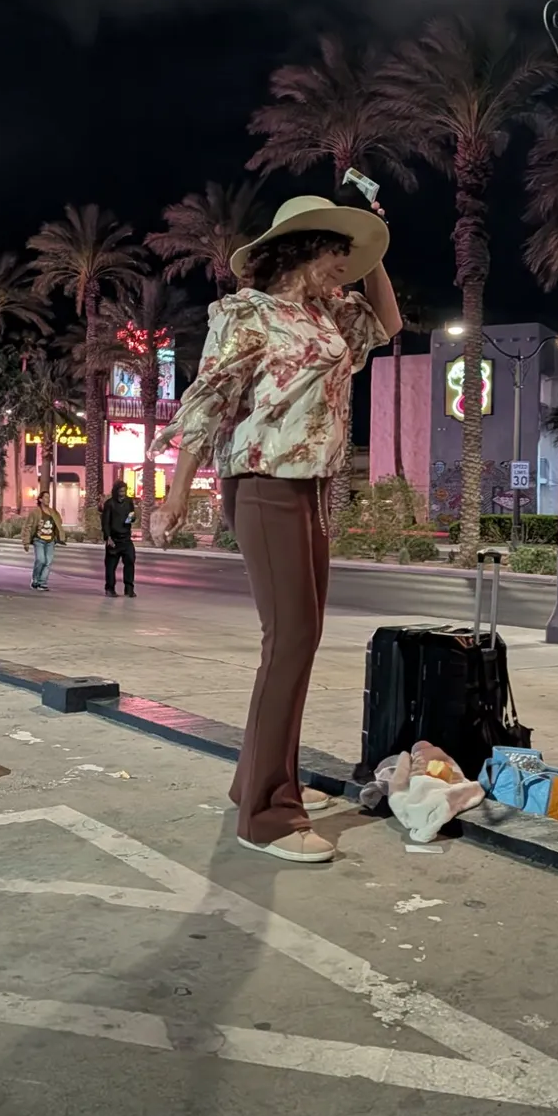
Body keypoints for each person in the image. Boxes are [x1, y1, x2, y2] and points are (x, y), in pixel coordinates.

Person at [150, 194, 402, 865]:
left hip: (311, 485)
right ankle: (266, 815)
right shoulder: (246, 314)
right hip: (262, 485)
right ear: (301, 249)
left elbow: (389, 322)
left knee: (301, 637)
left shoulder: (330, 314)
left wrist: (375, 247)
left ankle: (259, 779)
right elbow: (209, 404)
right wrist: (176, 497)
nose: (344, 272)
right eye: (337, 256)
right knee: (288, 639)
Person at [21, 491, 65, 591]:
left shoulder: (53, 512)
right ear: (40, 499)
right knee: (41, 560)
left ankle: (42, 582)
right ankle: (35, 580)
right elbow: (28, 526)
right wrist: (26, 541)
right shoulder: (35, 512)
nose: (48, 499)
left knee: (48, 562)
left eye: (49, 497)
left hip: (50, 541)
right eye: (45, 497)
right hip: (38, 539)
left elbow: (59, 523)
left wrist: (60, 536)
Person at [102, 479, 137, 597]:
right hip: (114, 539)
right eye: (120, 491)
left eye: (124, 491)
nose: (122, 494)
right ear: (116, 491)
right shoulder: (110, 503)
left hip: (126, 538)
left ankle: (129, 588)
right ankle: (110, 588)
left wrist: (131, 518)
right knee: (111, 566)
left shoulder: (129, 502)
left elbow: (132, 515)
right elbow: (105, 522)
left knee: (130, 562)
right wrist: (108, 537)